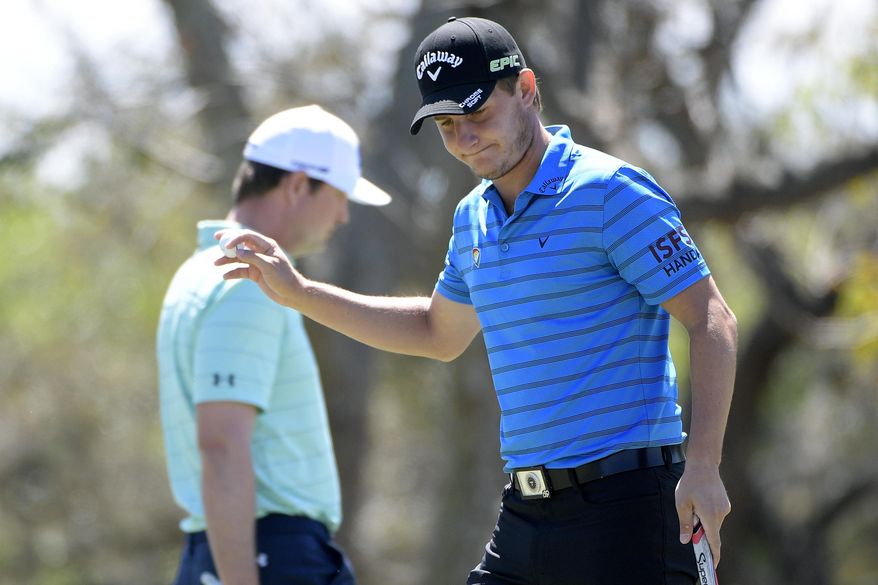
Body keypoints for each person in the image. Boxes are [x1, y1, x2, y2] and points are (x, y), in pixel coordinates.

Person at [216, 16, 737, 585]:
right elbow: (437, 333)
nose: (464, 140)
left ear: (528, 90)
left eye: (478, 114)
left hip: (629, 509)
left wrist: (705, 464)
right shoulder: (472, 218)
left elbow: (712, 319)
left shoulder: (610, 191)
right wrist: (301, 293)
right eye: (445, 124)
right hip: (526, 511)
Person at [157, 104, 391, 585]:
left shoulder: (195, 274)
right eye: (340, 196)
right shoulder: (247, 282)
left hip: (224, 551)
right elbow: (222, 445)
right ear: (298, 184)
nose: (344, 216)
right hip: (270, 556)